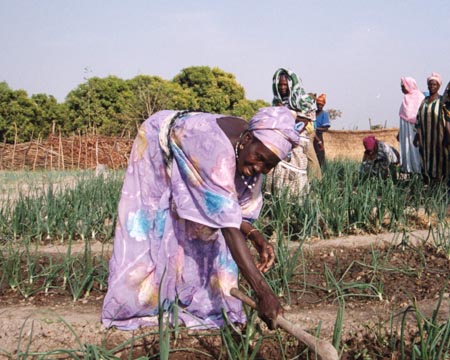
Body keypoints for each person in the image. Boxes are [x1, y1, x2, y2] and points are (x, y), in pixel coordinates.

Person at [102, 107, 299, 331]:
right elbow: (227, 225)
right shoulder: (216, 151)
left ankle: (202, 299)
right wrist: (263, 293)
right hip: (159, 143)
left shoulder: (254, 154)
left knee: (207, 229)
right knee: (154, 222)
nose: (259, 167)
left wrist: (255, 236)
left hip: (207, 154)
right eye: (259, 159)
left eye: (268, 166)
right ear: (247, 139)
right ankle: (139, 301)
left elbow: (234, 211)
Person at [272, 68, 322, 181]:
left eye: (285, 84)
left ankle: (316, 184)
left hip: (304, 133)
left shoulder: (303, 99)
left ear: (291, 84)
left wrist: (285, 111)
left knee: (310, 158)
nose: (282, 88)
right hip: (285, 134)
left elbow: (305, 119)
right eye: (280, 85)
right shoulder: (277, 101)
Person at [414, 72, 448, 184]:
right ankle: (427, 182)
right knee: (425, 159)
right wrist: (417, 135)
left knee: (439, 159)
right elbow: (418, 119)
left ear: (439, 86)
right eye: (430, 84)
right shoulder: (423, 102)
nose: (432, 86)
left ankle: (439, 184)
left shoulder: (442, 102)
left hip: (439, 137)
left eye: (434, 84)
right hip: (425, 138)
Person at [397, 77, 424, 176]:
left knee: (415, 150)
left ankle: (418, 172)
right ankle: (408, 171)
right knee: (406, 149)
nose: (401, 88)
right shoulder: (405, 99)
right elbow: (403, 117)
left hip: (415, 131)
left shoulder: (420, 98)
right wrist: (400, 132)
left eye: (403, 86)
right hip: (405, 131)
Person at [314, 94, 331, 168]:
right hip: (312, 135)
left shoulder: (324, 114)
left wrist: (316, 128)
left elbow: (326, 128)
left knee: (320, 153)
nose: (319, 106)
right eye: (318, 104)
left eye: (321, 105)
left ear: (323, 105)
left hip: (318, 135)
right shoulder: (313, 113)